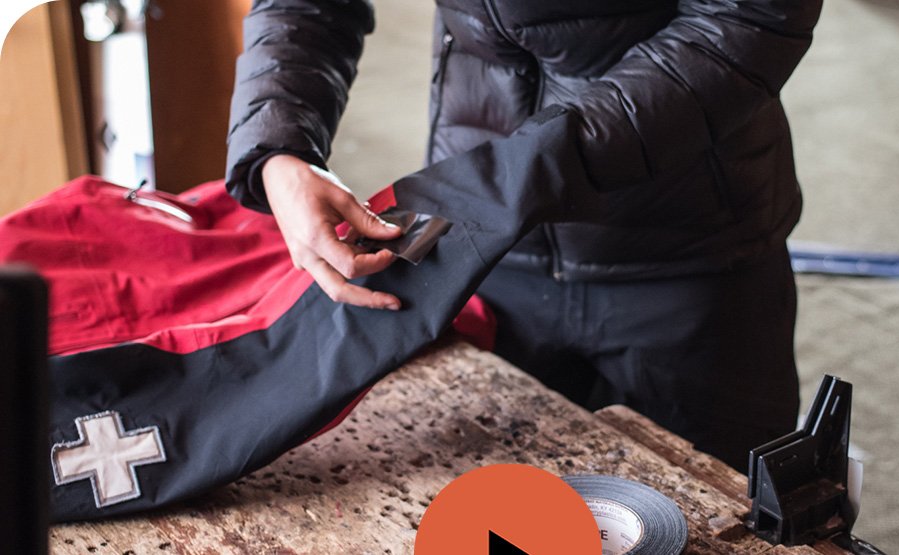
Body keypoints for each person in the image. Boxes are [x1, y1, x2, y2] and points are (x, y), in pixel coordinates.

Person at [225, 0, 824, 471]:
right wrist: (278, 149)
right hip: (486, 237)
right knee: (506, 509)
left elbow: (751, 14)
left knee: (720, 513)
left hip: (687, 241)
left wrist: (524, 168)